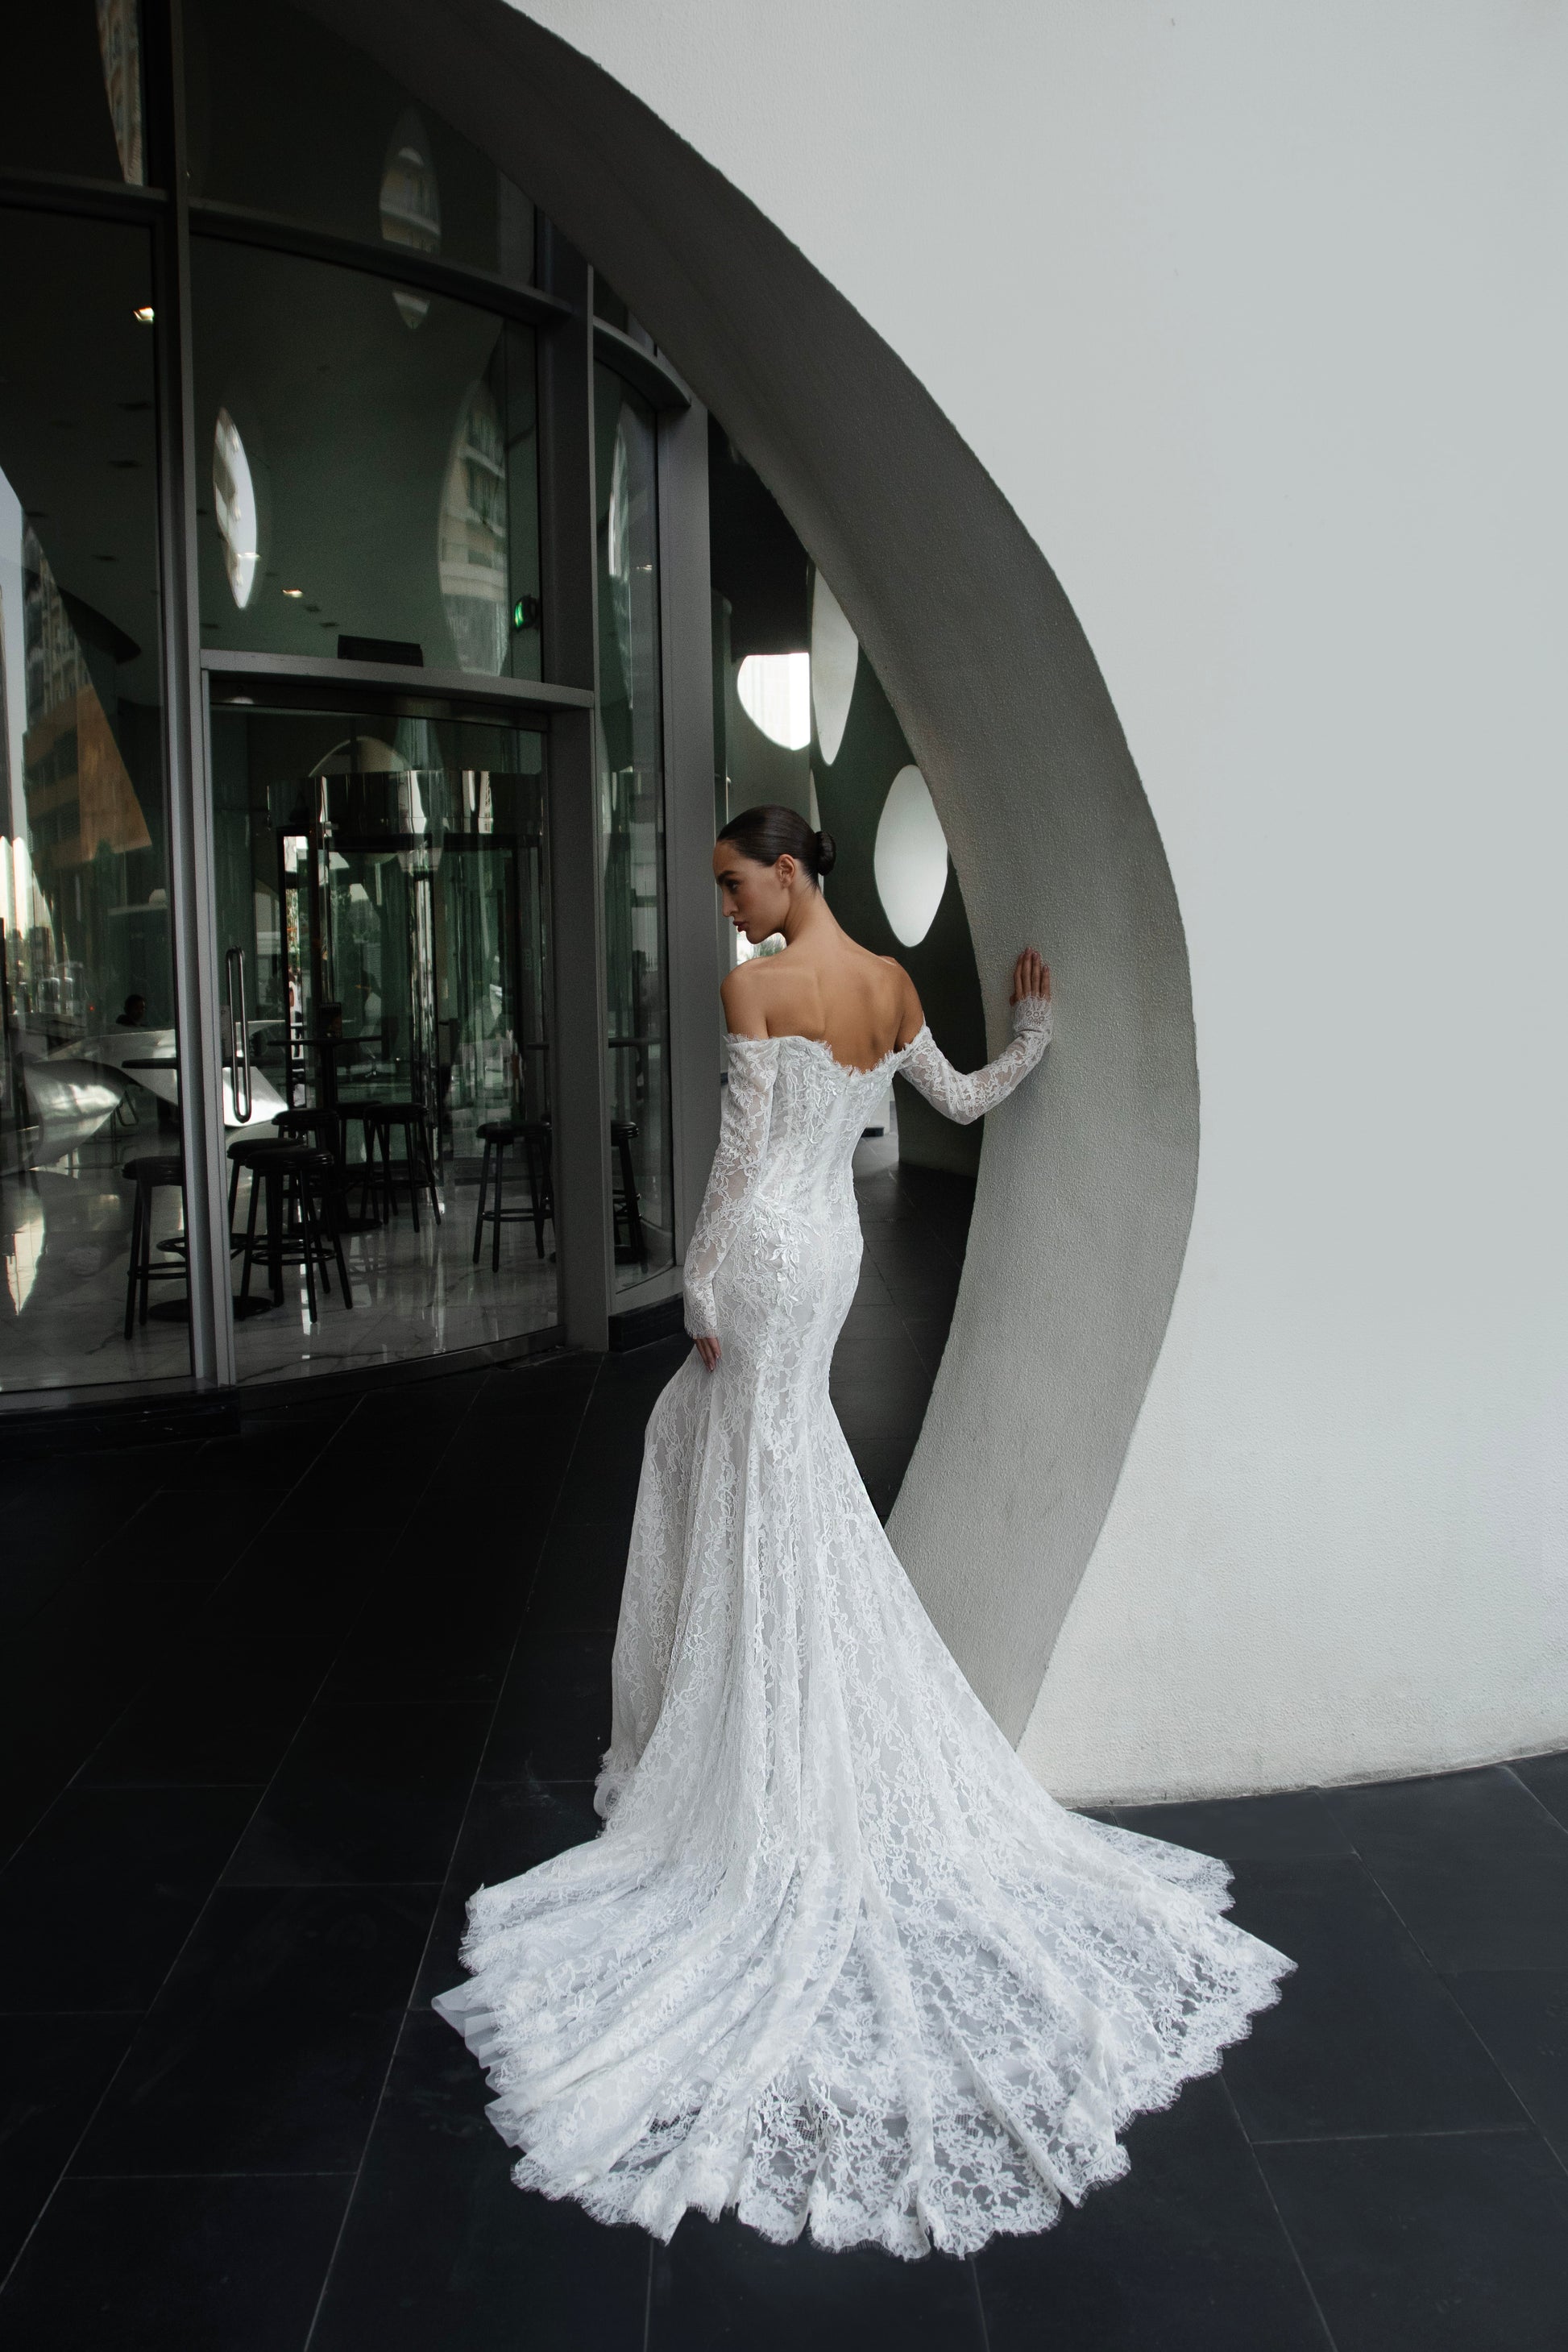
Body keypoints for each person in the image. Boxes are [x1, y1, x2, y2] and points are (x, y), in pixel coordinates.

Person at [433, 803, 1292, 2258]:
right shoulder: (890, 984)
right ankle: (770, 1688)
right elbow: (958, 1103)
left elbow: (734, 1162)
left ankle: (745, 1723)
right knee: (774, 1473)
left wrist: (697, 1291)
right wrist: (1033, 1035)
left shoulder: (756, 990)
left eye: (733, 881)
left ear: (790, 870)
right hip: (825, 1258)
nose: (727, 908)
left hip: (766, 1253)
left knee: (737, 1465)